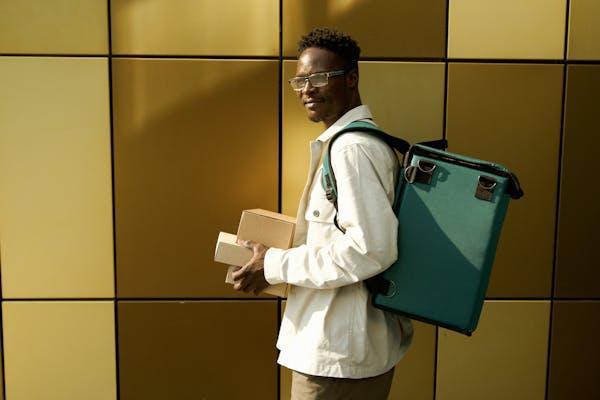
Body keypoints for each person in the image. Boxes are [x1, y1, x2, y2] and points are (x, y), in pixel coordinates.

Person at [232, 27, 412, 400]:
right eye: (300, 79)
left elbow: (370, 249)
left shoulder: (352, 151)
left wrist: (274, 265)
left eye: (319, 77)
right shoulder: (348, 145)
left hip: (338, 358)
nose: (306, 89)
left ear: (351, 78)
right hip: (339, 350)